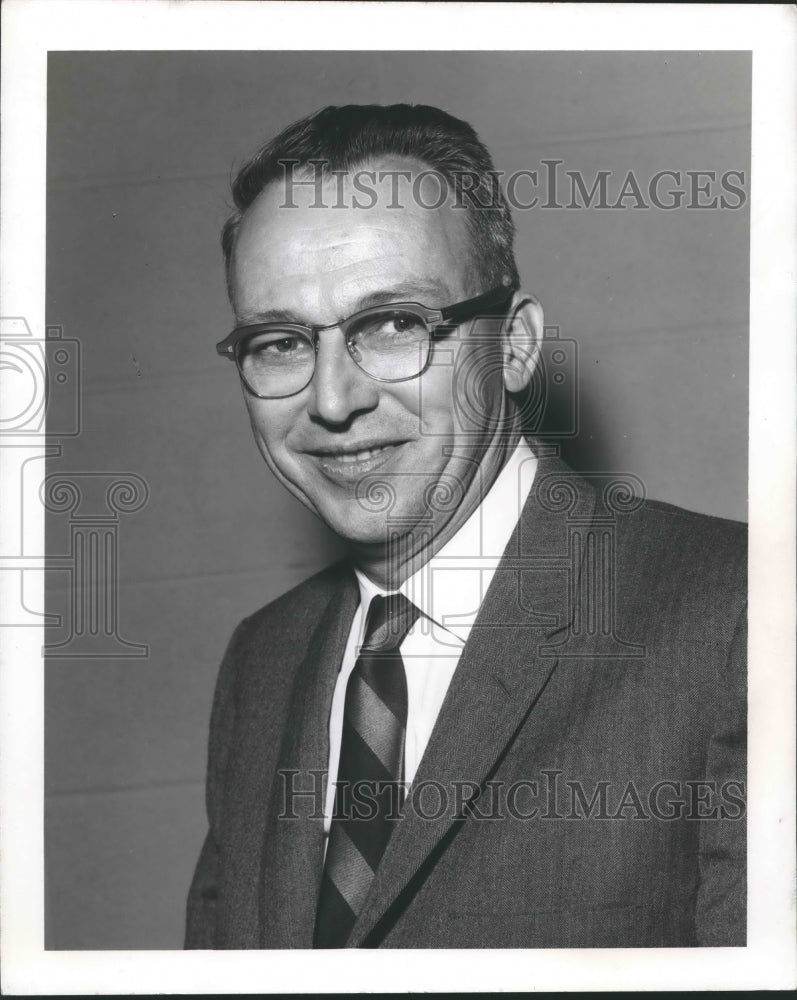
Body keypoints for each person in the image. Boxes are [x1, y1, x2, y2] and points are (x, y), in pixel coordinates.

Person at [185, 104, 746, 949]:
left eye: (394, 324)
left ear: (514, 345)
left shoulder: (738, 613)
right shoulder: (260, 662)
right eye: (279, 341)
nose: (333, 401)